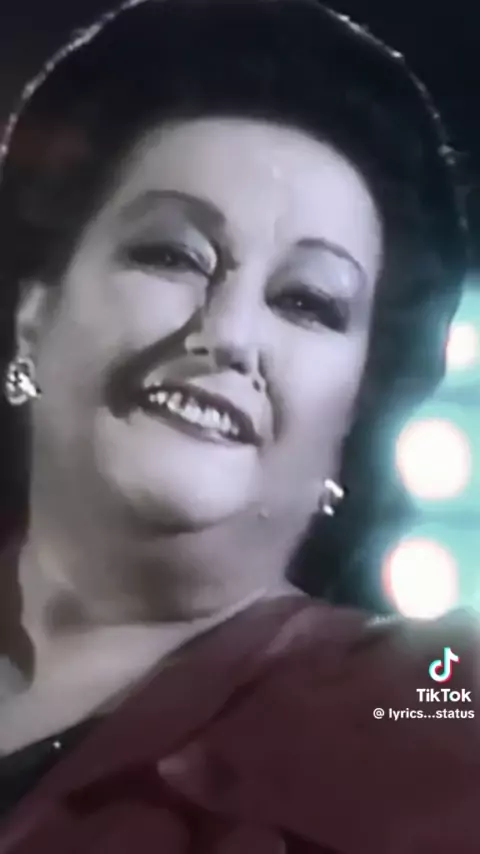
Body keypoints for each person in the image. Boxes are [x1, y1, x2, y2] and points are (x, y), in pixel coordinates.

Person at [0, 0, 478, 851]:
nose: (228, 334)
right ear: (34, 312)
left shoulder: (431, 715)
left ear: (357, 411)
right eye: (172, 255)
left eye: (308, 302)